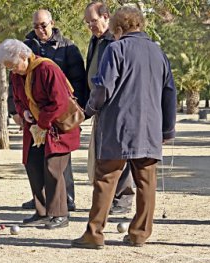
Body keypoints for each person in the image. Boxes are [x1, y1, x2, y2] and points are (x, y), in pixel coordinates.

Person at [72, 6, 176, 249]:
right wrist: (167, 130)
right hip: (149, 129)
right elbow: (169, 92)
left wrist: (89, 109)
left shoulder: (115, 48)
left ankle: (95, 233)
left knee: (106, 179)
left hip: (119, 127)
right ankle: (139, 233)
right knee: (146, 183)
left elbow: (104, 87)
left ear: (118, 29)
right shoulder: (158, 52)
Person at [0, 39, 80, 229]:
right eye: (9, 68)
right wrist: (23, 112)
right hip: (35, 128)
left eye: (14, 65)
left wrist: (42, 122)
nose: (13, 70)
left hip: (57, 128)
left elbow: (59, 102)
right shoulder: (17, 75)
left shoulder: (47, 69)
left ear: (24, 56)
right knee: (32, 165)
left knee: (53, 168)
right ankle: (41, 211)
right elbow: (17, 98)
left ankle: (60, 214)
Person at [19, 9, 86, 212]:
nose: (40, 30)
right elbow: (18, 81)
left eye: (43, 25)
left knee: (60, 157)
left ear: (52, 23)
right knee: (37, 157)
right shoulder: (27, 47)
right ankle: (41, 198)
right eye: (36, 26)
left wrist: (77, 110)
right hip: (35, 109)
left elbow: (79, 81)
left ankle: (67, 197)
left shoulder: (68, 47)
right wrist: (17, 110)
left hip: (61, 109)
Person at [84, 1, 135, 215]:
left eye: (93, 21)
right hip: (100, 107)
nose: (90, 26)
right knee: (103, 155)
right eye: (87, 23)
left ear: (106, 16)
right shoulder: (95, 41)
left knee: (121, 153)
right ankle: (109, 198)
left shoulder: (116, 40)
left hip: (116, 106)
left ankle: (123, 200)